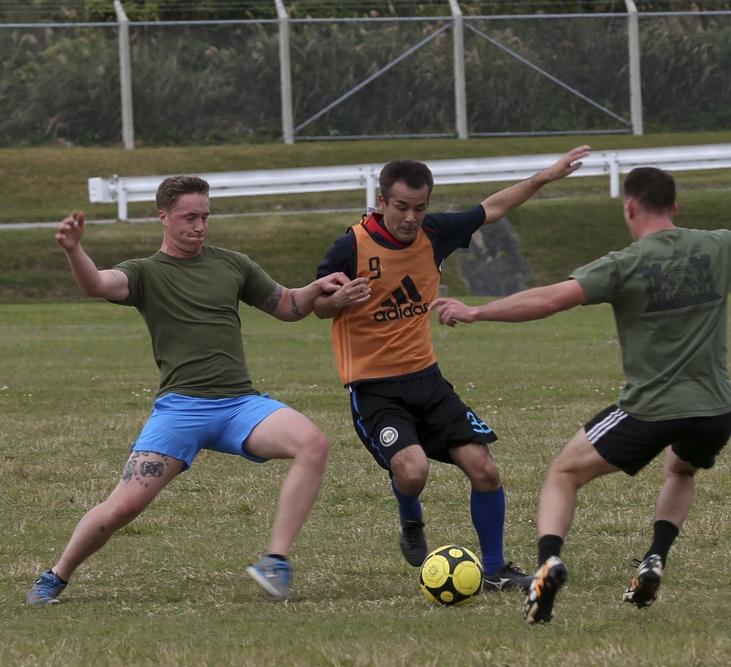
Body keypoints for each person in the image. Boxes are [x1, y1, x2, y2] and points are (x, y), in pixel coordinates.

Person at [432, 167, 731, 623]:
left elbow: (550, 299)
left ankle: (549, 561)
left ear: (629, 207)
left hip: (651, 409)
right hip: (715, 411)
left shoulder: (622, 264)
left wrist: (476, 312)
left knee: (563, 473)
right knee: (681, 468)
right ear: (674, 207)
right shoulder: (719, 245)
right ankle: (654, 557)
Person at [27, 175, 344, 605]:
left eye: (205, 217)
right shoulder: (144, 273)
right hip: (180, 411)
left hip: (239, 405)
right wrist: (74, 249)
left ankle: (275, 561)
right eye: (190, 217)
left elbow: (287, 306)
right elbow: (97, 285)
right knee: (121, 509)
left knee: (313, 443)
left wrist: (316, 289)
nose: (200, 226)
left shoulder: (232, 263)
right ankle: (56, 575)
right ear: (164, 217)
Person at [313, 145, 592, 592]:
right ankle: (410, 517)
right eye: (401, 207)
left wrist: (545, 177)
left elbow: (493, 207)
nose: (410, 217)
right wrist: (334, 301)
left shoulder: (435, 233)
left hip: (428, 381)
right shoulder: (351, 247)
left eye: (419, 208)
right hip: (375, 390)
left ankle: (496, 568)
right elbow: (317, 305)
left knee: (485, 469)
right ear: (382, 201)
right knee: (412, 470)